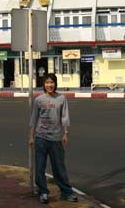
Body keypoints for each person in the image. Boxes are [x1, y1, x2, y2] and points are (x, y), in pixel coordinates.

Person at [29, 73, 78, 204]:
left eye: (52, 82)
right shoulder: (39, 100)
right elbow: (34, 118)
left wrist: (65, 133)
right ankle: (43, 192)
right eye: (47, 83)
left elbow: (65, 117)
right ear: (43, 84)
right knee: (40, 166)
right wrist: (31, 137)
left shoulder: (61, 98)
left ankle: (66, 192)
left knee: (59, 167)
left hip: (56, 138)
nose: (49, 85)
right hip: (41, 138)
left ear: (55, 84)